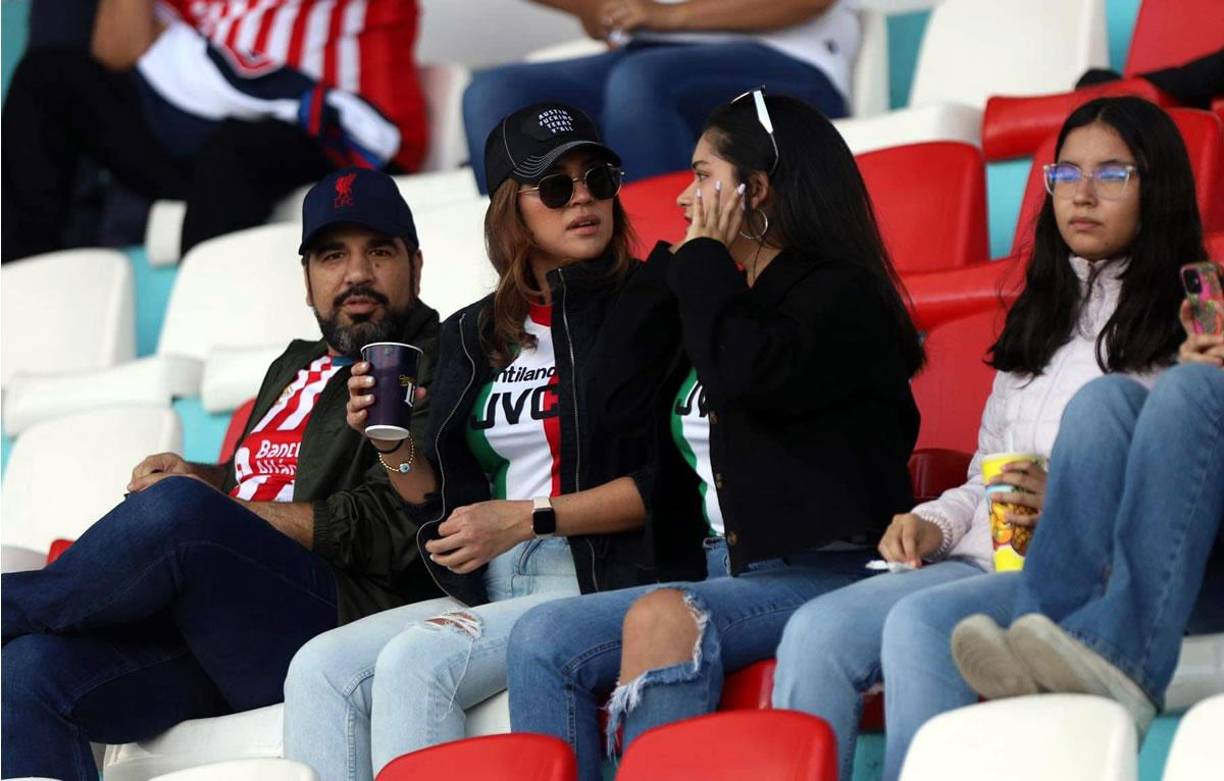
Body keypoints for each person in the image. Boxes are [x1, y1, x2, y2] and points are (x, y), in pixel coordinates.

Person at [770, 95, 1200, 781]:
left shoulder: (1185, 332)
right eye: (1065, 175)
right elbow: (983, 473)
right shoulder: (1041, 314)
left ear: (1160, 189)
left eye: (1113, 174)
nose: (1082, 195)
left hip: (1072, 569)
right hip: (978, 554)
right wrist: (930, 523)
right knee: (815, 631)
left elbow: (1175, 498)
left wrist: (1072, 495)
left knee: (919, 628)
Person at [506, 92, 925, 781]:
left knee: (665, 616)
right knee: (542, 637)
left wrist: (703, 260)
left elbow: (747, 375)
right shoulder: (721, 297)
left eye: (702, 177)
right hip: (720, 571)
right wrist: (690, 263)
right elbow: (614, 392)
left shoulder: (840, 295)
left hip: (829, 569)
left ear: (753, 189)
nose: (681, 199)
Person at [282, 101, 701, 781]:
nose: (584, 199)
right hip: (492, 585)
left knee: (420, 662)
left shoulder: (653, 304)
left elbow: (673, 487)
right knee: (321, 667)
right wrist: (391, 445)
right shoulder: (474, 333)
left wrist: (529, 517)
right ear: (513, 210)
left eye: (598, 177)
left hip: (602, 573)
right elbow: (438, 502)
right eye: (557, 187)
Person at [0, 168, 441, 781]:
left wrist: (212, 515)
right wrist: (206, 478)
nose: (356, 274)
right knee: (23, 674)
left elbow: (397, 526)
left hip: (326, 619)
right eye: (332, 255)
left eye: (380, 252)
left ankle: (10, 604)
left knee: (178, 512)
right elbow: (259, 473)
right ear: (307, 279)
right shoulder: (294, 364)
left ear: (415, 265)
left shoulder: (434, 361)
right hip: (218, 626)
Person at [950, 313, 1223, 731]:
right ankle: (1043, 636)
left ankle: (1124, 658)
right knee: (1104, 401)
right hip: (1197, 558)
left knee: (1193, 388)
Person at [1, 0, 427, 263]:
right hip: (201, 134)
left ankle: (202, 320)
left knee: (236, 147)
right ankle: (23, 281)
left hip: (329, 133)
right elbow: (119, 50)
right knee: (49, 76)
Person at [462, 0, 860, 191]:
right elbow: (601, 19)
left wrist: (665, 16)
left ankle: (666, 266)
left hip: (793, 60)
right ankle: (530, 281)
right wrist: (607, 12)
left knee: (641, 83)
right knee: (495, 93)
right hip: (647, 58)